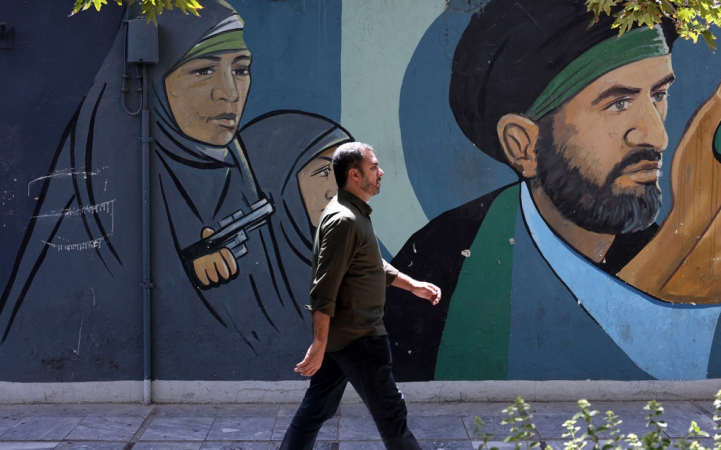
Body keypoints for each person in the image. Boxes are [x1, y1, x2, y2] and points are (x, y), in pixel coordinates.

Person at [384, 0, 721, 383]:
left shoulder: (667, 254)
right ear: (523, 145)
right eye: (619, 103)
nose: (657, 136)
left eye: (659, 95)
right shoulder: (435, 266)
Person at [280, 142, 442, 450]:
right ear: (354, 175)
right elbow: (324, 286)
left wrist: (412, 285)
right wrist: (318, 343)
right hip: (360, 337)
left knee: (314, 411)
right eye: (373, 168)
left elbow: (370, 264)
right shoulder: (345, 220)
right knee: (392, 418)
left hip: (343, 338)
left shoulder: (351, 214)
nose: (380, 173)